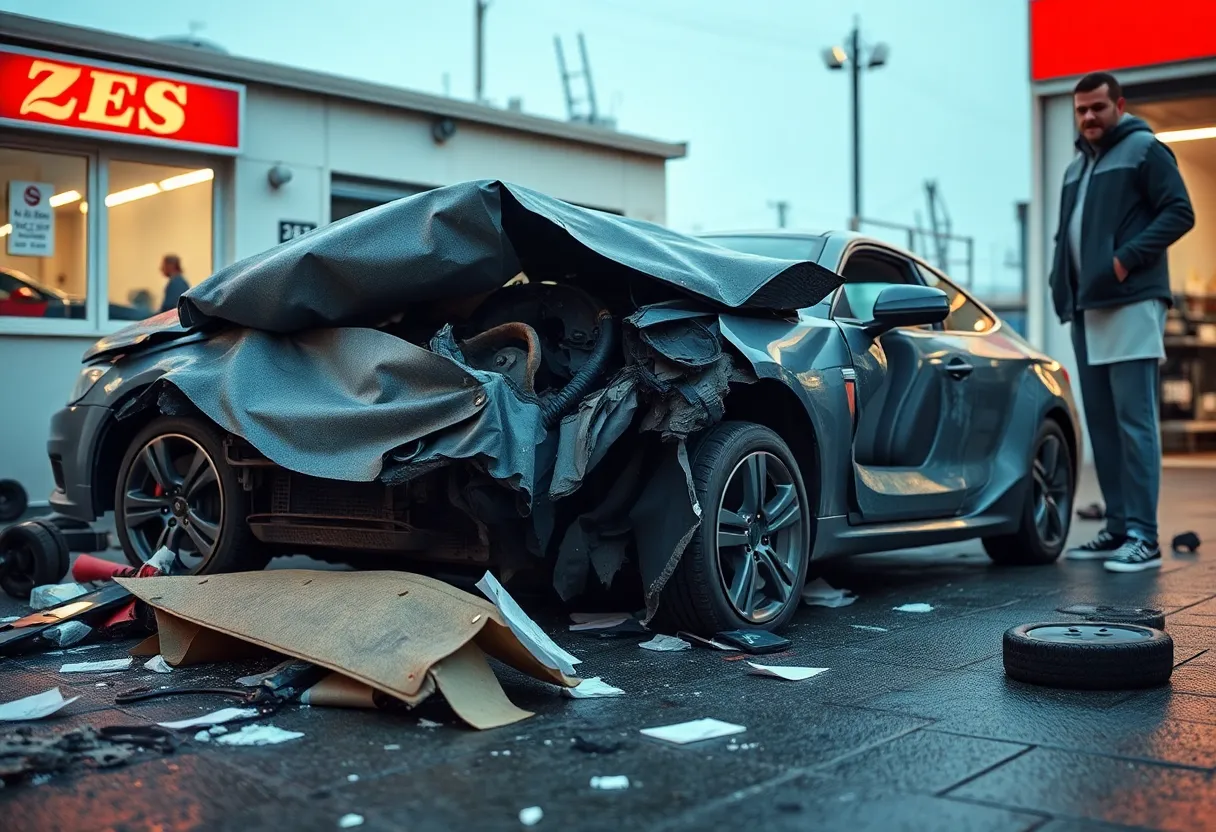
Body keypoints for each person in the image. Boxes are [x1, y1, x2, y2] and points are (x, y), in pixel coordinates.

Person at [1049, 71, 1195, 572]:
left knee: (1135, 423)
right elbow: (1064, 236)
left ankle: (1143, 537)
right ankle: (1116, 529)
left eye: (1098, 107)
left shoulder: (1144, 149)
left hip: (1131, 301)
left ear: (1120, 105)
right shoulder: (1076, 168)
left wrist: (1124, 260)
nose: (1089, 116)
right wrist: (1060, 284)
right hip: (1086, 308)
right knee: (1104, 425)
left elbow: (1180, 212)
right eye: (1081, 109)